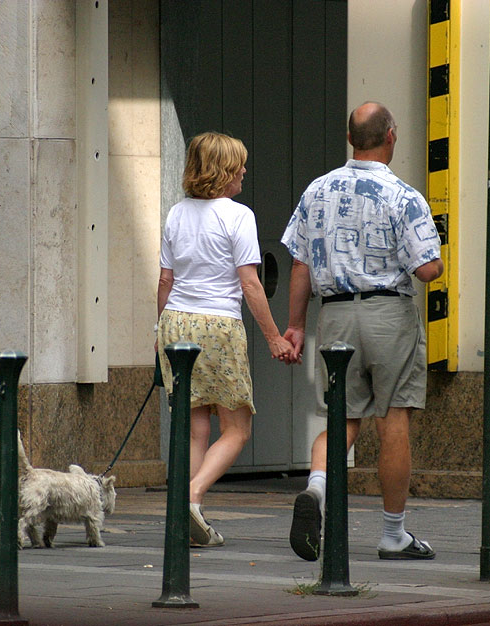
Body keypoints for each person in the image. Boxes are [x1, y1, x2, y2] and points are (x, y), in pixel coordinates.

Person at [280, 102, 444, 561]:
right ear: (391, 136)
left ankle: (316, 489)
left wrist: (295, 326)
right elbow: (428, 269)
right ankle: (393, 535)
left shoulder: (317, 191)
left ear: (351, 139)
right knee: (393, 421)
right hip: (388, 314)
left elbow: (300, 262)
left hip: (334, 316)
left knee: (341, 418)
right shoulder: (404, 196)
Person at [156, 131, 293, 548]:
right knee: (237, 429)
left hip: (176, 322)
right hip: (218, 325)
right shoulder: (237, 216)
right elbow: (250, 284)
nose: (245, 172)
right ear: (223, 171)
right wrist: (273, 337)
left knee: (196, 428)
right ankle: (192, 499)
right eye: (239, 166)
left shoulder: (176, 213)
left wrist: (159, 335)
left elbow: (165, 280)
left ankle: (185, 514)